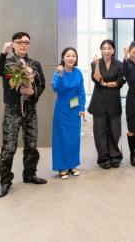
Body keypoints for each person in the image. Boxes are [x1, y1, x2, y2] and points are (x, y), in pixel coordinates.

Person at [0, 31, 46, 198]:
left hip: (30, 109)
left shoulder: (34, 64)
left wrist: (32, 91)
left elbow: (41, 84)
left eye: (27, 42)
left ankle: (29, 174)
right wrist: (3, 52)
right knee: (9, 147)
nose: (24, 45)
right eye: (20, 42)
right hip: (12, 110)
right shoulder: (7, 63)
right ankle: (5, 181)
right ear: (13, 44)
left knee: (31, 145)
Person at [88, 39, 124, 169]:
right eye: (104, 48)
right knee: (100, 131)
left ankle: (115, 156)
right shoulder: (94, 64)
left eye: (109, 48)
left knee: (115, 130)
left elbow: (120, 82)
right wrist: (97, 65)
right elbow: (97, 80)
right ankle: (103, 158)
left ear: (113, 50)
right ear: (101, 50)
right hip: (99, 102)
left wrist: (107, 84)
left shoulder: (119, 64)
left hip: (114, 101)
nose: (106, 51)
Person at [51, 47, 86, 179]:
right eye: (68, 56)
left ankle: (72, 165)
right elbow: (57, 88)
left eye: (73, 56)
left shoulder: (78, 72)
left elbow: (81, 91)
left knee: (74, 138)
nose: (71, 58)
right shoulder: (58, 72)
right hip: (61, 109)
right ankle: (61, 167)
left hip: (74, 109)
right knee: (61, 138)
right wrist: (60, 75)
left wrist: (82, 108)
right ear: (63, 58)